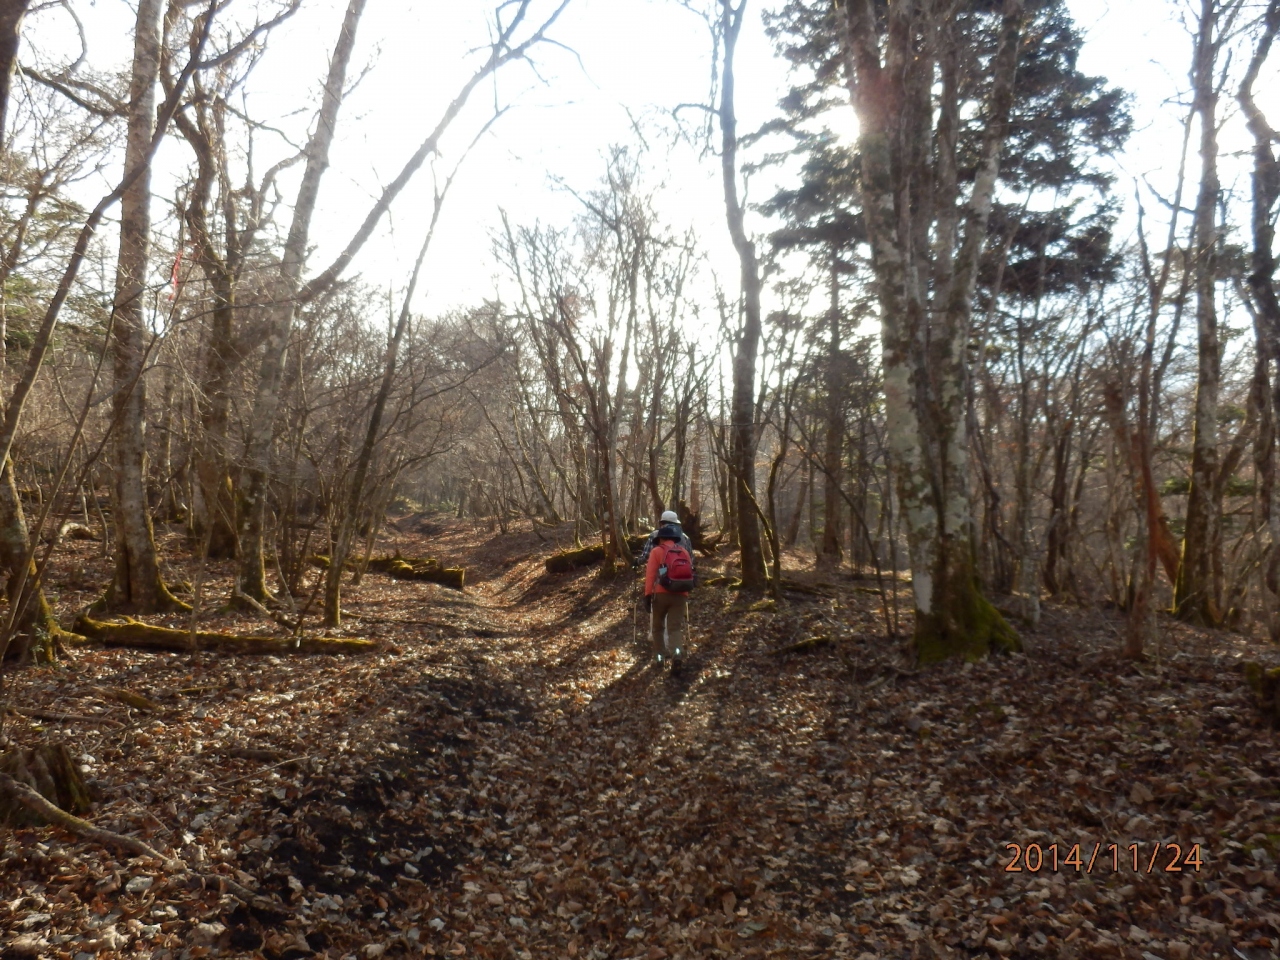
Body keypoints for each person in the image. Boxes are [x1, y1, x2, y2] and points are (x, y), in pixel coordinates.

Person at [644, 523, 695, 666]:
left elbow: (651, 574)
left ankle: (660, 658)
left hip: (661, 594)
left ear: (661, 539)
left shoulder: (656, 551)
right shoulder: (684, 552)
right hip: (681, 593)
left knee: (658, 627)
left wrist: (647, 595)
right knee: (675, 628)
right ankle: (677, 654)